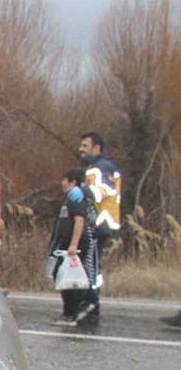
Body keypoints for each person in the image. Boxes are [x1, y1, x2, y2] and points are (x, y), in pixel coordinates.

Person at [78, 131, 121, 321]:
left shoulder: (104, 166)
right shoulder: (93, 167)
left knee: (93, 262)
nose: (81, 149)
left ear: (97, 148)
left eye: (85, 146)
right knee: (90, 261)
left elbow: (107, 189)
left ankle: (92, 300)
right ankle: (89, 299)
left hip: (102, 222)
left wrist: (83, 190)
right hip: (95, 222)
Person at [48, 168, 99, 326]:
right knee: (64, 277)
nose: (62, 182)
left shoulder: (76, 197)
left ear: (73, 182)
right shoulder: (71, 197)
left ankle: (71, 313)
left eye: (65, 180)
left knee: (71, 279)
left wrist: (73, 245)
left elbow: (79, 221)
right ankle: (72, 311)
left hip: (75, 246)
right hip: (66, 245)